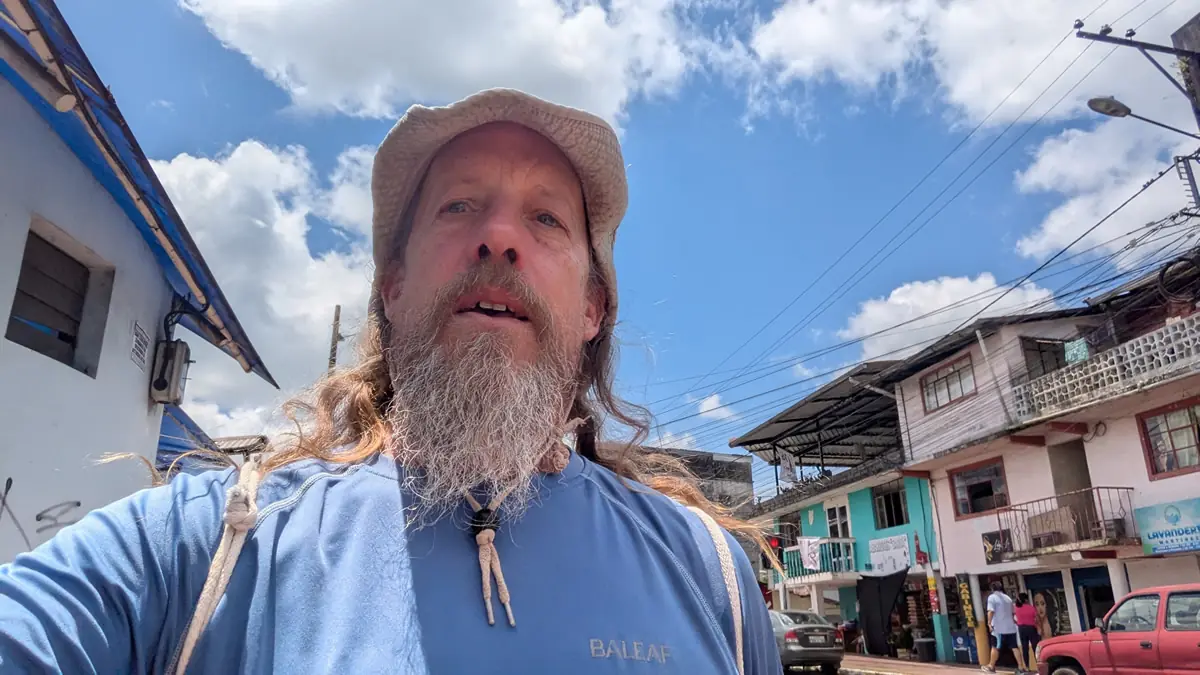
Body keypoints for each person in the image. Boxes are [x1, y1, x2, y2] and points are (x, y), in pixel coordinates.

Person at [0, 89, 782, 674]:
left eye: (546, 219)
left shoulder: (709, 573)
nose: (499, 237)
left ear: (591, 307)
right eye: (460, 205)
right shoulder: (215, 548)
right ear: (395, 286)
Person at [983, 581, 1026, 674]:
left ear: (992, 589)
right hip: (1011, 628)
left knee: (995, 647)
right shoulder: (1008, 598)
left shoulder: (992, 597)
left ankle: (991, 666)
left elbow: (990, 611)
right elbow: (1013, 612)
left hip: (998, 629)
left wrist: (989, 623)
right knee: (1014, 647)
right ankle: (1021, 668)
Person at [1014, 592, 1039, 668]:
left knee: (1025, 648)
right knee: (1035, 647)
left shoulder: (1016, 608)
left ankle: (1027, 667)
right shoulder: (1031, 608)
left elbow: (1013, 617)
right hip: (1031, 628)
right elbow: (1037, 619)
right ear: (1026, 600)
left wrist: (1017, 623)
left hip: (1021, 629)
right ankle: (1038, 666)